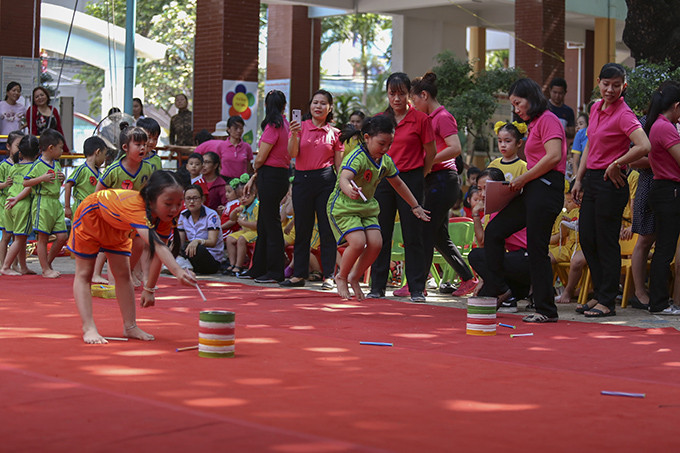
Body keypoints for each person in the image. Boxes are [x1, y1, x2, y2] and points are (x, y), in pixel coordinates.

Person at [68, 171, 197, 344]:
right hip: (91, 215)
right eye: (168, 203)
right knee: (85, 273)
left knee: (122, 274)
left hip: (116, 225)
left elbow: (159, 252)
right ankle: (88, 328)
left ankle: (130, 326)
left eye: (179, 203)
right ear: (151, 200)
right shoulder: (137, 207)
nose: (174, 209)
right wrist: (178, 271)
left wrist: (149, 289)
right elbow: (156, 244)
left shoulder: (166, 215)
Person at [484, 78, 567, 322]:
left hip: (547, 186)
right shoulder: (535, 123)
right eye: (514, 104)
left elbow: (553, 157)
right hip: (533, 187)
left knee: (536, 248)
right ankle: (500, 289)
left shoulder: (549, 120)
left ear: (531, 98)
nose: (516, 109)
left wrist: (522, 179)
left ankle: (546, 309)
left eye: (518, 103)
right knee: (495, 231)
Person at [572, 63, 651, 318]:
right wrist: (579, 178)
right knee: (587, 237)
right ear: (598, 82)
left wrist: (618, 163)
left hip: (611, 182)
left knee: (606, 241)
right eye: (606, 84)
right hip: (592, 179)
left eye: (616, 85)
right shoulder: (595, 107)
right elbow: (590, 146)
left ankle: (607, 300)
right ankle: (601, 293)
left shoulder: (624, 114)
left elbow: (644, 144)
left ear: (623, 86)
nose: (610, 89)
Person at [328, 115, 430, 300]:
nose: (385, 149)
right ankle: (341, 276)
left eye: (389, 145)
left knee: (376, 244)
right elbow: (344, 178)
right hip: (344, 206)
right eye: (381, 144)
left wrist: (415, 206)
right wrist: (350, 189)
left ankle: (354, 277)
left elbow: (398, 184)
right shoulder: (357, 157)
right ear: (367, 138)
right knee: (358, 242)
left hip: (366, 207)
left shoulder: (385, 161)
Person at [410, 72, 479, 297]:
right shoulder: (429, 119)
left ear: (424, 95)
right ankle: (468, 279)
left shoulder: (442, 117)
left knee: (425, 231)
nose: (413, 106)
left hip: (443, 180)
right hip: (435, 180)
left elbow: (455, 148)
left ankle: (418, 284)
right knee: (438, 236)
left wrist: (427, 160)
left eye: (414, 101)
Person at [369, 72, 436, 302]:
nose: (396, 99)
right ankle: (377, 286)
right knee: (380, 233)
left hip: (411, 179)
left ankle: (416, 288)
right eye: (392, 94)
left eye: (401, 94)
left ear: (409, 94)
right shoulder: (379, 120)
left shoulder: (421, 119)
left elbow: (431, 153)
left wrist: (421, 174)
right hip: (383, 181)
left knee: (413, 234)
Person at [281, 90, 342, 289]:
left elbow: (339, 165)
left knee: (326, 229)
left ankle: (329, 276)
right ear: (310, 106)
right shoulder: (299, 127)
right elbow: (292, 153)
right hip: (302, 180)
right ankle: (299, 274)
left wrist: (342, 186)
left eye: (323, 103)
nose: (318, 106)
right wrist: (295, 134)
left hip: (326, 181)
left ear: (330, 108)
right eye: (315, 102)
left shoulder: (335, 133)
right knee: (303, 228)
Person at [241, 90, 290, 283]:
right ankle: (258, 267)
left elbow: (261, 156)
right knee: (264, 222)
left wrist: (255, 167)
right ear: (283, 105)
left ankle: (275, 271)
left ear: (267, 106)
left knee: (270, 223)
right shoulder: (285, 124)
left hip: (270, 175)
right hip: (279, 175)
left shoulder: (273, 125)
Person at [8, 130, 67, 278]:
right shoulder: (37, 164)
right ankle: (45, 269)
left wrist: (62, 177)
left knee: (62, 236)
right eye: (60, 147)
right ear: (51, 148)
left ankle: (46, 262)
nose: (62, 151)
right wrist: (42, 178)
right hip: (43, 201)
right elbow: (26, 182)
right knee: (43, 237)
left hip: (55, 202)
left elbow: (59, 180)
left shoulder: (56, 164)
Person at [468, 168, 531, 306]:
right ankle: (508, 294)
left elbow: (484, 245)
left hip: (526, 259)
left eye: (487, 188)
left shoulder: (509, 206)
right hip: (512, 261)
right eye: (479, 189)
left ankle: (503, 292)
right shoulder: (493, 208)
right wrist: (476, 214)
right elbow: (486, 245)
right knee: (482, 296)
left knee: (475, 256)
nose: (482, 194)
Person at [644, 81, 680, 315]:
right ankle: (658, 302)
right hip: (670, 190)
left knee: (663, 248)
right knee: (665, 249)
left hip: (662, 188)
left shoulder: (656, 125)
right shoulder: (665, 127)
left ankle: (659, 301)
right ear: (677, 106)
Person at [1, 135, 40, 275]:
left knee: (19, 237)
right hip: (21, 204)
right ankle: (6, 266)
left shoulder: (14, 166)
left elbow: (10, 182)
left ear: (20, 152)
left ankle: (22, 266)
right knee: (19, 239)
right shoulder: (35, 168)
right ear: (38, 153)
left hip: (8, 202)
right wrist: (18, 198)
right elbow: (28, 187)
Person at [176, 185, 224, 274]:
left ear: (202, 199)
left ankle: (184, 266)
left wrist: (198, 241)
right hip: (192, 254)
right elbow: (180, 241)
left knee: (198, 249)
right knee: (171, 244)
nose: (191, 201)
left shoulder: (211, 215)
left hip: (211, 259)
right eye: (188, 198)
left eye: (195, 198)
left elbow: (212, 242)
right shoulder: (183, 215)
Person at [97, 127, 154, 192]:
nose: (143, 148)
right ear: (125, 147)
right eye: (138, 144)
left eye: (144, 144)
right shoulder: (113, 170)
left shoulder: (149, 168)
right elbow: (97, 193)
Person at [64, 136, 107, 220]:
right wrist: (67, 207)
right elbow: (68, 184)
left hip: (93, 209)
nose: (104, 159)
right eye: (104, 155)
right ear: (98, 152)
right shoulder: (82, 169)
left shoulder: (100, 174)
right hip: (81, 208)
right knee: (79, 232)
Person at [197, 116, 254, 180]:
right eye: (236, 128)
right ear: (228, 129)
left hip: (242, 181)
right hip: (225, 180)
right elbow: (217, 164)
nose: (239, 131)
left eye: (241, 128)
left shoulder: (247, 147)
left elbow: (248, 166)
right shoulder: (221, 146)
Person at [0, 130, 24, 269]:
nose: (20, 149)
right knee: (6, 235)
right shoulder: (4, 166)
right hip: (5, 204)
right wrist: (4, 185)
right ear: (8, 147)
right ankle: (3, 263)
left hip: (19, 204)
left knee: (18, 236)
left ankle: (15, 265)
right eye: (17, 145)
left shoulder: (23, 165)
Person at [225, 186, 259, 276]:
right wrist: (234, 211)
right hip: (246, 231)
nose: (243, 199)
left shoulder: (257, 206)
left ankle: (238, 266)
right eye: (240, 197)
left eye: (246, 196)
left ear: (253, 194)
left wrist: (243, 223)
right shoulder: (243, 206)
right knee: (230, 238)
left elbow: (258, 225)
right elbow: (232, 218)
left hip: (255, 232)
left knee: (241, 239)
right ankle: (232, 264)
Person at [26, 86, 69, 153]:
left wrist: (65, 149)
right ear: (33, 100)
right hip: (40, 147)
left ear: (46, 96)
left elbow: (59, 129)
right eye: (37, 97)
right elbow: (32, 130)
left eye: (42, 95)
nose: (40, 98)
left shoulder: (53, 110)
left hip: (54, 146)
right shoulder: (32, 110)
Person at [570, 112, 589, 177]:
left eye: (581, 124)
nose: (578, 127)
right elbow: (575, 161)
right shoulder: (579, 135)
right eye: (576, 125)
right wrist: (576, 178)